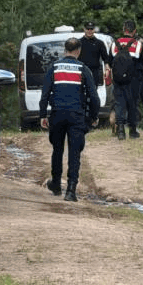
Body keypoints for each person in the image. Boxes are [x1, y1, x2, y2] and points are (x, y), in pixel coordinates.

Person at [39, 37, 100, 202]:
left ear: (64, 50)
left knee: (57, 149)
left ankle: (56, 184)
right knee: (74, 152)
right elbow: (94, 97)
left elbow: (45, 94)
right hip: (76, 115)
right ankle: (71, 190)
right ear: (78, 51)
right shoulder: (83, 69)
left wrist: (43, 115)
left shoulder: (54, 67)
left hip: (57, 114)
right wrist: (94, 117)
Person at [109, 20, 143, 140]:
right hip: (133, 80)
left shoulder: (115, 43)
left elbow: (110, 61)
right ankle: (133, 131)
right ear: (134, 31)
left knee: (119, 104)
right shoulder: (137, 44)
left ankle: (120, 131)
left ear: (123, 30)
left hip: (118, 80)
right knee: (132, 105)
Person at [77, 22, 111, 131]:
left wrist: (107, 69)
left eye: (91, 29)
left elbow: (106, 59)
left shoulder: (99, 43)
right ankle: (81, 120)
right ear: (84, 29)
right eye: (88, 29)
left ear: (94, 30)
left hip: (94, 73)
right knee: (81, 97)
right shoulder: (79, 42)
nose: (89, 31)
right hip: (81, 73)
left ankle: (93, 119)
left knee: (93, 97)